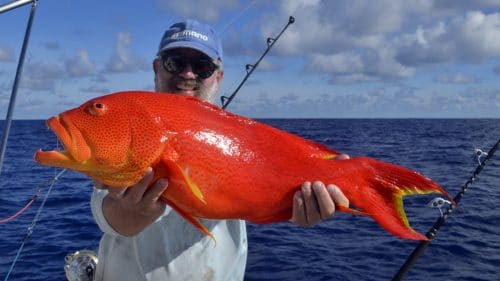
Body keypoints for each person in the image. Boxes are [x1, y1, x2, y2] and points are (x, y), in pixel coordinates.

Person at [90, 19, 349, 281]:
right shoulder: (132, 127)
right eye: (175, 62)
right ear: (157, 68)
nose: (188, 74)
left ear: (218, 77)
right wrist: (131, 212)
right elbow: (108, 211)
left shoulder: (239, 142)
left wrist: (298, 206)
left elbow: (267, 192)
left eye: (202, 67)